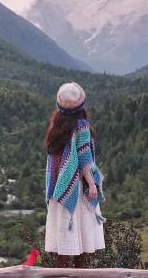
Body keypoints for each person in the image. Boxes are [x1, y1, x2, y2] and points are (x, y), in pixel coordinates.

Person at [44, 82, 105, 268]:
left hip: (61, 188)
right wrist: (92, 185)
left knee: (63, 244)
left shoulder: (56, 126)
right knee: (83, 240)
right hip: (77, 189)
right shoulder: (81, 125)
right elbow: (85, 157)